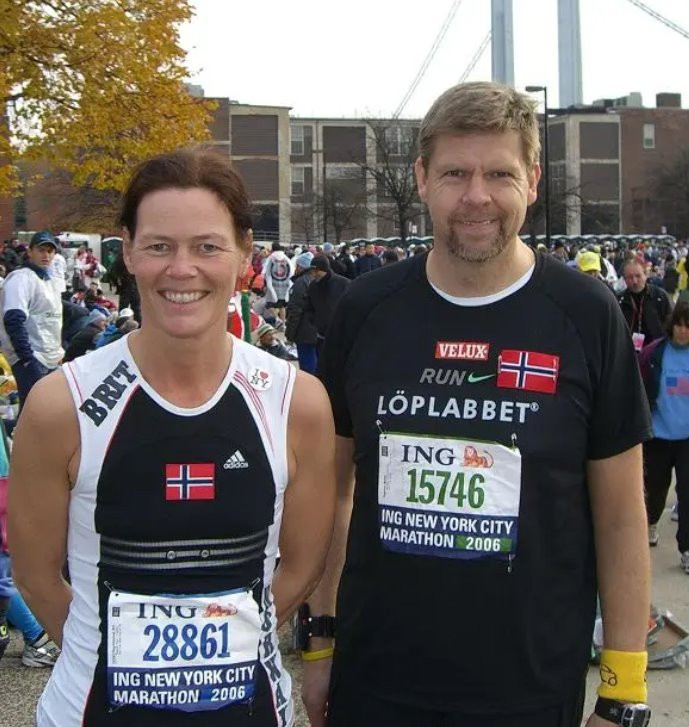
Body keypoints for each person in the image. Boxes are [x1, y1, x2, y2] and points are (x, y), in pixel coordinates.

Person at [302, 82, 652, 727]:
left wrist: (623, 690)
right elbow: (335, 493)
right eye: (455, 173)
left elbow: (622, 518)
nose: (477, 196)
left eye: (499, 174)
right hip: (377, 680)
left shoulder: (585, 314)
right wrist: (319, 638)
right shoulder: (366, 310)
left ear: (533, 181)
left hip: (530, 687)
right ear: (422, 178)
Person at [8, 147, 336, 726]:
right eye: (159, 246)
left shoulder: (297, 401)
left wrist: (212, 659)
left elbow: (302, 566)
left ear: (244, 256)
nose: (182, 270)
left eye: (207, 247)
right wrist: (107, 653)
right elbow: (36, 576)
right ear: (129, 252)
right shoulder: (61, 404)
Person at [639, 301, 689, 570]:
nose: (683, 331)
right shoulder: (654, 352)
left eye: (688, 326)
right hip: (659, 435)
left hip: (687, 439)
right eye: (679, 325)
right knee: (656, 488)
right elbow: (639, 384)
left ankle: (687, 548)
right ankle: (651, 522)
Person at [0, 231, 64, 407]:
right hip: (32, 358)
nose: (46, 255)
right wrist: (27, 358)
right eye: (41, 250)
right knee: (35, 410)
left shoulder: (49, 281)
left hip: (50, 357)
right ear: (30, 251)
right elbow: (13, 319)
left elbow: (53, 319)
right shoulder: (21, 278)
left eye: (50, 251)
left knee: (46, 411)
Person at [618, 258, 672, 353]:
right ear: (624, 279)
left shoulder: (659, 296)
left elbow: (671, 323)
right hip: (629, 351)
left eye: (638, 276)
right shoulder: (619, 300)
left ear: (645, 275)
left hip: (656, 350)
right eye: (630, 277)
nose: (634, 281)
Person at [304, 255, 349, 358]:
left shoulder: (343, 284)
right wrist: (315, 321)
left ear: (323, 269)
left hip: (340, 338)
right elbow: (308, 307)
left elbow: (352, 308)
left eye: (316, 271)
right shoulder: (313, 286)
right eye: (312, 271)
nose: (313, 274)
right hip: (321, 337)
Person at [285, 252, 319, 374]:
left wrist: (290, 334)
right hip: (318, 329)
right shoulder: (317, 280)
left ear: (301, 266)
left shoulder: (301, 283)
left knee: (308, 366)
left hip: (305, 330)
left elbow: (295, 310)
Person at [262, 242, 293, 324]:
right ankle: (283, 323)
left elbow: (264, 271)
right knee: (282, 306)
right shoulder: (286, 258)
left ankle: (278, 320)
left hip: (273, 286)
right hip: (284, 286)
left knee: (269, 305)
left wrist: (265, 282)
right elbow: (292, 271)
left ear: (272, 249)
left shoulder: (271, 258)